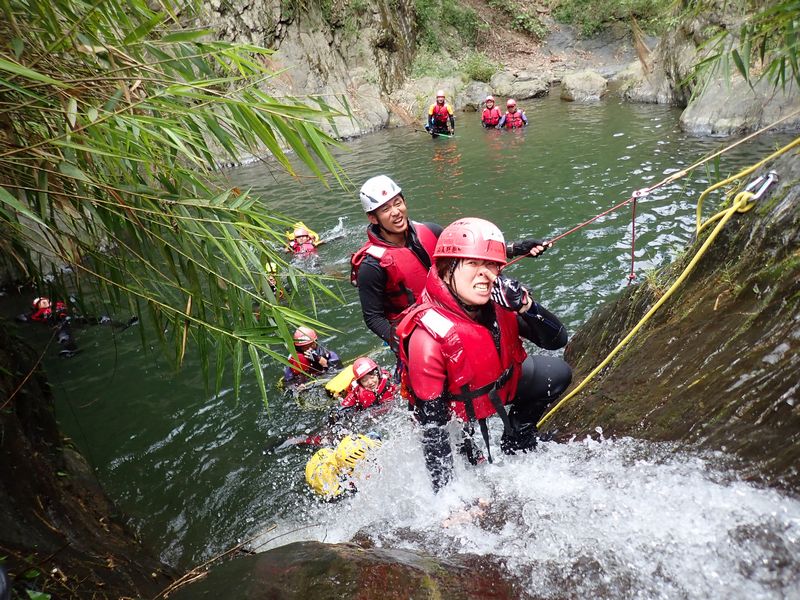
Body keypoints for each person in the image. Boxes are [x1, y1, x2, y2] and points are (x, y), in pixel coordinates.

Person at [396, 217, 572, 492]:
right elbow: (434, 429)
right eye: (472, 264)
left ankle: (518, 439)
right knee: (469, 463)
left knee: (556, 374)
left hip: (498, 385)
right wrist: (449, 501)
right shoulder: (427, 337)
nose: (485, 274)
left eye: (491, 265)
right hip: (457, 409)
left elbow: (557, 339)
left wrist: (526, 306)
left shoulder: (500, 301)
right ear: (445, 270)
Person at [351, 175, 553, 356]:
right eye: (386, 209)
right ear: (372, 218)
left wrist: (516, 248)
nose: (396, 212)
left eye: (398, 203)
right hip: (422, 327)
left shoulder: (429, 230)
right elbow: (373, 317)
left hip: (456, 306)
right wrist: (401, 343)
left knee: (513, 315)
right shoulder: (372, 265)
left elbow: (468, 250)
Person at [305, 433, 381, 500]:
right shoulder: (334, 488)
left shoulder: (344, 454)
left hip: (325, 456)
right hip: (322, 481)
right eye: (367, 461)